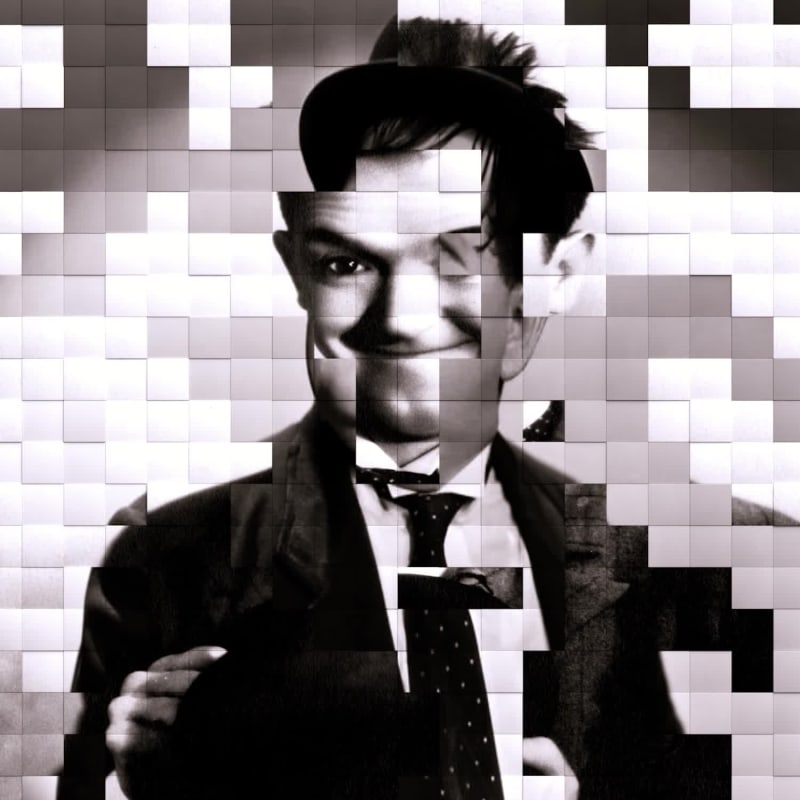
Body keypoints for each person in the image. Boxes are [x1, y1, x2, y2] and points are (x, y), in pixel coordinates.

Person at [60, 16, 753, 800]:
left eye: (460, 258)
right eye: (348, 263)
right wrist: (137, 790)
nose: (400, 316)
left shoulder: (702, 578)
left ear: (552, 275)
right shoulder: (169, 565)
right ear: (297, 267)